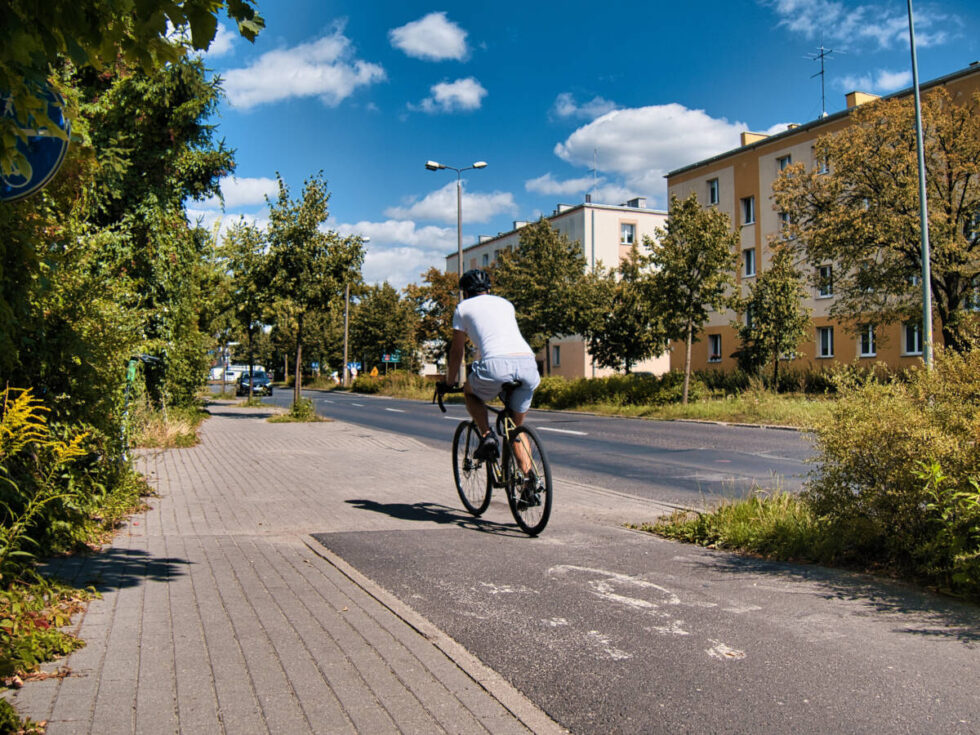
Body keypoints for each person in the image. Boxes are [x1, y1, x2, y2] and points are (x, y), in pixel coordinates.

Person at [444, 268, 541, 465]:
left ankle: (487, 435)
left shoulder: (463, 308)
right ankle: (529, 483)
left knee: (470, 392)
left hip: (496, 364)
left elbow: (457, 352)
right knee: (514, 429)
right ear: (488, 289)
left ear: (466, 292)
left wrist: (449, 381)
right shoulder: (506, 304)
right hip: (528, 363)